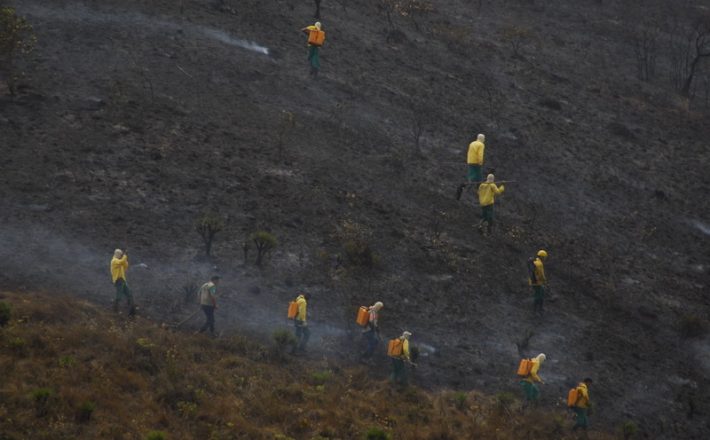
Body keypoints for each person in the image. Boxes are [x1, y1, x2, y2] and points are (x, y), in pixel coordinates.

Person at [110, 249, 135, 315]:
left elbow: (126, 266)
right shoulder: (114, 261)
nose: (121, 256)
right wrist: (125, 256)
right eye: (120, 255)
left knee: (129, 294)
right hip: (118, 281)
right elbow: (121, 262)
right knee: (119, 295)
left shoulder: (119, 261)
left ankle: (131, 310)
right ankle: (115, 310)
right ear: (117, 254)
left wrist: (126, 258)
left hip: (122, 280)